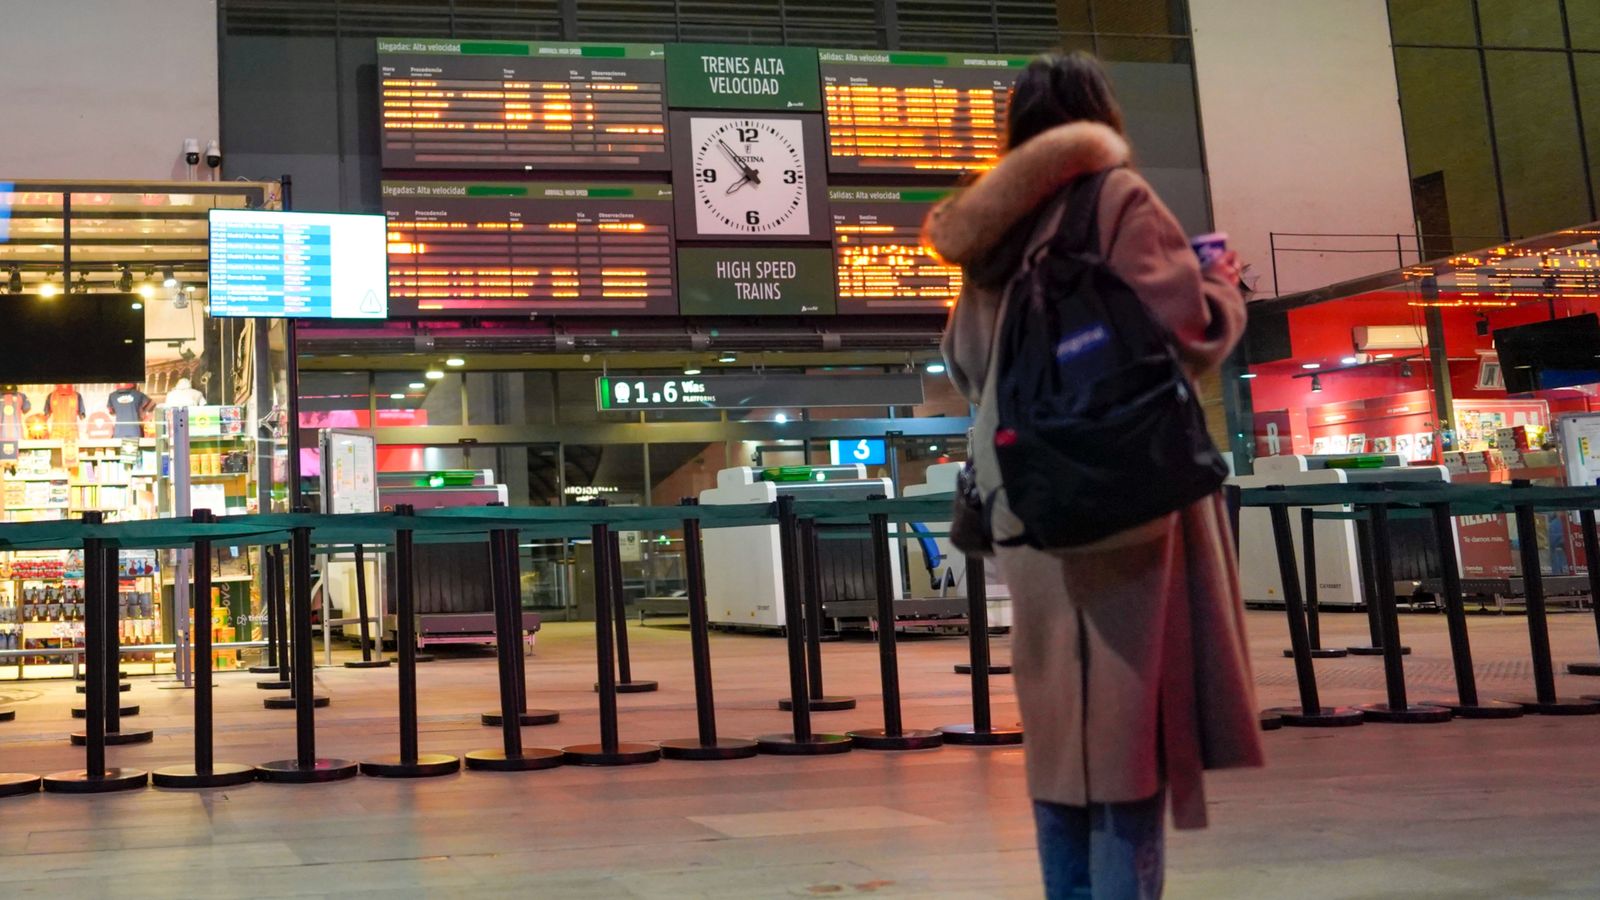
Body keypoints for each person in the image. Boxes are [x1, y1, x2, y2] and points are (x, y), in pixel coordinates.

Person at [924, 52, 1263, 899]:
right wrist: (1222, 287)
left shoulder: (990, 233)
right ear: (1101, 117)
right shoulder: (1116, 199)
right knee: (1124, 739)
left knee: (1060, 748)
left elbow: (964, 360)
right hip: (1121, 502)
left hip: (1028, 504)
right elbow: (1183, 333)